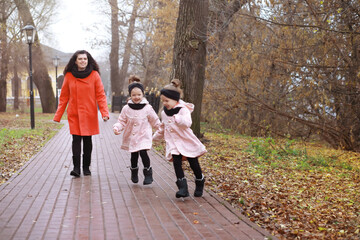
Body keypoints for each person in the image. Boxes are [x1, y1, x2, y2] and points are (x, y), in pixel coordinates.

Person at [53, 50, 109, 177]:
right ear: (75, 61)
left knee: (88, 141)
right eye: (80, 59)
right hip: (74, 113)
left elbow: (100, 95)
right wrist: (58, 116)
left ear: (88, 60)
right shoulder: (69, 76)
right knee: (76, 140)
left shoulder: (94, 75)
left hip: (89, 113)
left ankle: (86, 167)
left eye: (85, 59)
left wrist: (104, 113)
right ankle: (76, 168)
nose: (83, 61)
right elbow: (64, 97)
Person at [153, 79, 206, 198]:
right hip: (174, 144)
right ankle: (183, 188)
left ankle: (200, 180)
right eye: (163, 101)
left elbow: (187, 123)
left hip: (186, 141)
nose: (165, 103)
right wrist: (155, 136)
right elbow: (163, 127)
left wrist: (179, 119)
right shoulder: (164, 113)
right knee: (176, 163)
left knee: (193, 163)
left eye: (167, 100)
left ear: (175, 99)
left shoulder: (183, 110)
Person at [113, 76, 160, 185]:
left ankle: (148, 174)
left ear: (143, 94)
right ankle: (134, 172)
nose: (136, 97)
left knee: (143, 153)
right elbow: (122, 121)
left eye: (139, 94)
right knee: (134, 155)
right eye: (134, 95)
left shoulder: (147, 108)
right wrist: (117, 127)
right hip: (132, 137)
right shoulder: (126, 108)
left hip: (143, 136)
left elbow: (155, 120)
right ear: (130, 95)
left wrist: (161, 130)